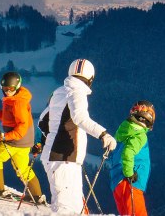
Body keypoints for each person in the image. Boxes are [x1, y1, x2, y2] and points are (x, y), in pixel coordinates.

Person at [38, 58, 117, 213]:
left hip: (58, 158)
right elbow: (80, 118)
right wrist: (103, 134)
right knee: (67, 210)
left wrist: (53, 138)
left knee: (73, 207)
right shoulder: (77, 92)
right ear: (90, 78)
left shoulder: (59, 92)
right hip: (63, 160)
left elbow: (42, 121)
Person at [0, 71, 45, 203]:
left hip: (16, 140)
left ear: (17, 87)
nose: (8, 91)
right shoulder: (15, 99)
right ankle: (37, 195)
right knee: (22, 169)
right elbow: (10, 115)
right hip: (24, 142)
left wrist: (6, 136)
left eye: (11, 89)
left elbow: (21, 127)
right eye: (5, 88)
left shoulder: (18, 103)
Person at [108, 100, 155, 216]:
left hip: (117, 181)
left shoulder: (126, 132)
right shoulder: (140, 134)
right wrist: (129, 173)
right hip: (130, 181)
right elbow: (128, 153)